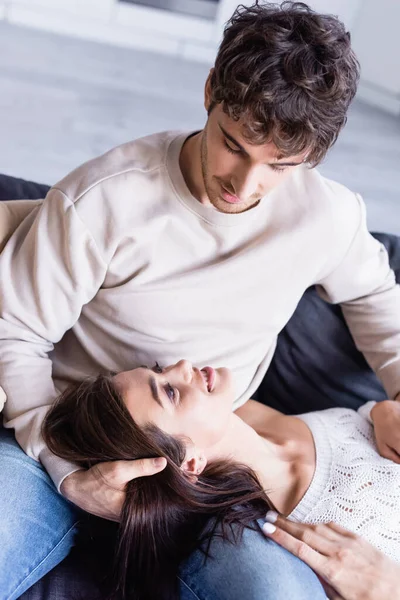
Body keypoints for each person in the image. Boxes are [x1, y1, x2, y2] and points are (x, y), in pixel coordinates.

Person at [1, 1, 400, 598]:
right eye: (234, 145)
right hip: (64, 439)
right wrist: (66, 474)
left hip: (211, 476)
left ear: (313, 155)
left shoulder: (327, 215)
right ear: (211, 91)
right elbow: (15, 334)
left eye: (280, 166)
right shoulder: (106, 200)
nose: (245, 185)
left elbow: (374, 292)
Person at [41, 359, 400, 600]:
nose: (182, 364)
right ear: (190, 462)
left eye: (160, 370)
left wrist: (380, 410)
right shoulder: (311, 539)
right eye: (170, 391)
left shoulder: (253, 416)